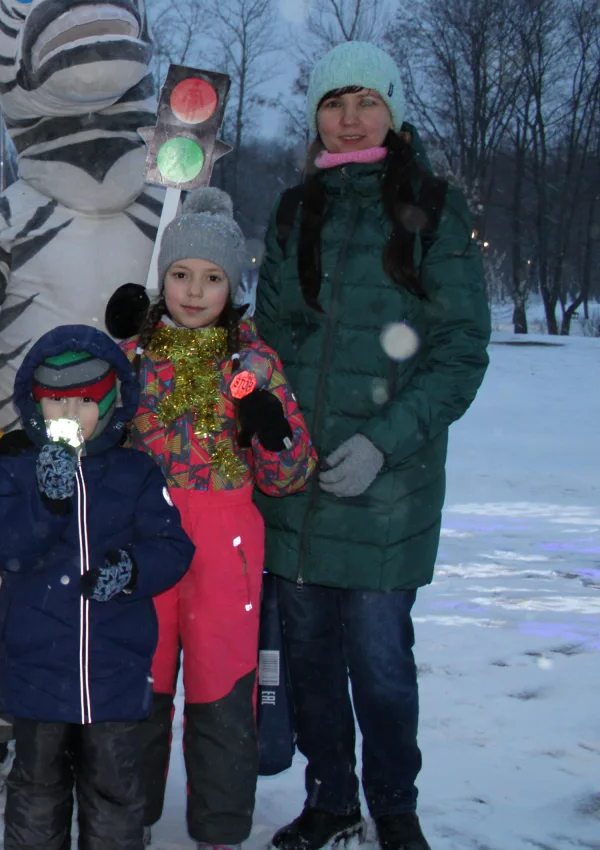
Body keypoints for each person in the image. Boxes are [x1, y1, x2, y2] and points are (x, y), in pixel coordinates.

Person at [255, 42, 490, 850]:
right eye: (333, 102)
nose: (350, 117)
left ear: (393, 111)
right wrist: (273, 433)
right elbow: (270, 339)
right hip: (298, 488)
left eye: (366, 101)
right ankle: (331, 800)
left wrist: (383, 444)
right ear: (315, 116)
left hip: (389, 493)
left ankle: (395, 807)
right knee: (312, 661)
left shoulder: (432, 208)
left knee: (382, 665)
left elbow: (459, 350)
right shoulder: (296, 211)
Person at [120, 188, 317, 850]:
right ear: (164, 279)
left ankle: (220, 828)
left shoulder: (251, 364)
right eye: (181, 274)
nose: (195, 291)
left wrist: (272, 431)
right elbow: (93, 435)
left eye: (212, 278)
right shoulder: (135, 355)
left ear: (232, 286)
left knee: (221, 690)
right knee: (139, 683)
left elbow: (289, 476)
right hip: (145, 540)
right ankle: (127, 815)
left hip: (224, 547)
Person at [0, 324, 194, 850]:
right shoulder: (16, 470)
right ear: (35, 404)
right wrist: (45, 504)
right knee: (37, 787)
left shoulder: (136, 472)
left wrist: (129, 569)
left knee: (114, 789)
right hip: (36, 666)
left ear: (112, 402)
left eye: (86, 400)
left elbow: (172, 546)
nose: (70, 413)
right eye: (56, 401)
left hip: (114, 670)